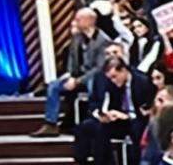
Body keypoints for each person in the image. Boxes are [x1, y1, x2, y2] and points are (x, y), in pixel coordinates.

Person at [66, 58, 152, 165]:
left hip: (139, 120)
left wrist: (127, 116)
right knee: (95, 127)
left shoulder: (142, 82)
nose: (113, 80)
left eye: (114, 76)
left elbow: (147, 110)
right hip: (121, 120)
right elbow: (108, 104)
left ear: (123, 71)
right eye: (110, 78)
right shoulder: (112, 84)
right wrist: (106, 115)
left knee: (136, 127)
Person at [33, 8, 113, 136]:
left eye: (78, 19)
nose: (74, 21)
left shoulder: (104, 41)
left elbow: (99, 68)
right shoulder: (77, 38)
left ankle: (91, 121)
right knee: (53, 86)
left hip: (92, 78)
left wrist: (78, 81)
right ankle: (51, 123)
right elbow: (71, 59)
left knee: (93, 85)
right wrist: (70, 76)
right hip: (76, 76)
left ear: (89, 21)